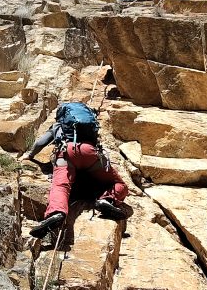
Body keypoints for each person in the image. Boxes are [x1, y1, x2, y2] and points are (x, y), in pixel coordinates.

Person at [21, 102, 128, 238]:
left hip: (67, 153)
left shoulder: (58, 126)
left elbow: (40, 143)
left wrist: (29, 155)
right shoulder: (89, 125)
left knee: (60, 186)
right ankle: (107, 200)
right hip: (90, 153)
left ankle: (57, 213)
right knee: (119, 184)